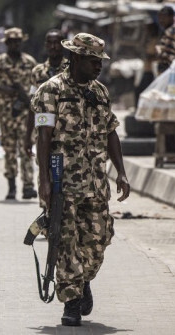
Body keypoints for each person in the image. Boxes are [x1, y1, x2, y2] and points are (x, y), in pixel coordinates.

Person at [30, 33, 130, 327]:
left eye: (100, 60)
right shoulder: (51, 90)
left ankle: (83, 279)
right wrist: (44, 180)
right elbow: (43, 137)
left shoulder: (100, 91)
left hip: (96, 181)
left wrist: (121, 171)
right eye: (92, 60)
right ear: (75, 58)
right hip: (63, 182)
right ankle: (71, 302)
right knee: (65, 241)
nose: (98, 66)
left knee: (98, 239)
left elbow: (111, 131)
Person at [0, 27, 37, 199]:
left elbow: (37, 87)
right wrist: (4, 89)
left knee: (26, 148)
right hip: (6, 114)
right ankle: (12, 186)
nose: (15, 45)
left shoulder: (29, 62)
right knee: (9, 150)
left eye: (17, 42)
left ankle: (28, 186)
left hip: (25, 114)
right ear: (6, 43)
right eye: (11, 42)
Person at [24, 29, 68, 158]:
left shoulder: (72, 69)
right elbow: (32, 105)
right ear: (46, 45)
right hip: (43, 132)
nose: (53, 47)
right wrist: (28, 137)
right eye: (50, 43)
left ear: (63, 44)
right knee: (44, 173)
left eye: (57, 43)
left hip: (66, 133)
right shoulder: (37, 72)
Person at [156, 6, 175, 75]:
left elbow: (168, 55)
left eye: (164, 17)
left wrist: (159, 51)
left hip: (172, 71)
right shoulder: (174, 30)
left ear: (171, 17)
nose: (161, 20)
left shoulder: (171, 32)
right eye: (160, 17)